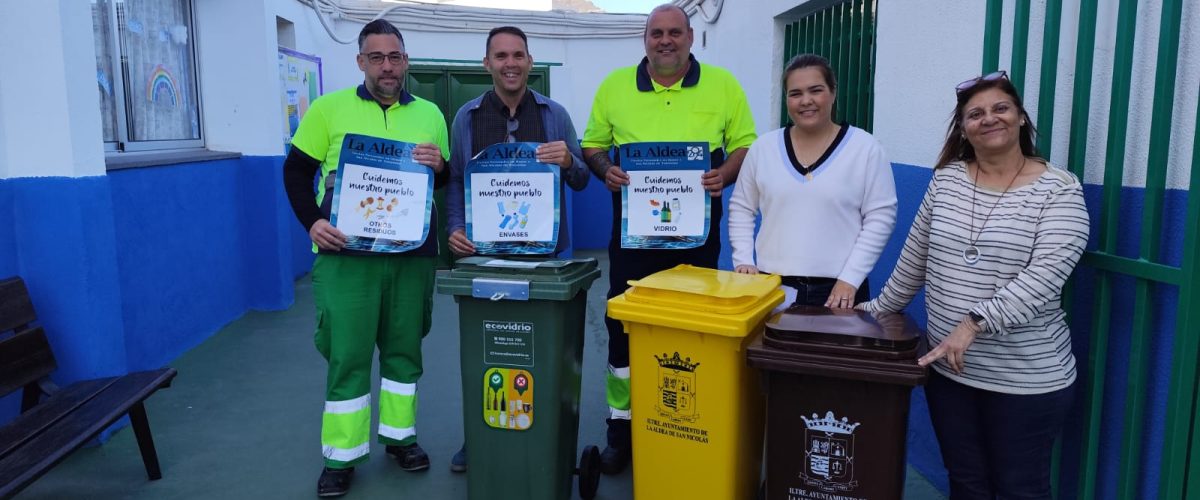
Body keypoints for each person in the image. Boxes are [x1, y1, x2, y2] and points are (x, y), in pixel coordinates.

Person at [857, 71, 1089, 499]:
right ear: (963, 128)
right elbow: (915, 259)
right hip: (951, 374)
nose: (989, 118)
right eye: (975, 114)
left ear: (1020, 117)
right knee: (966, 483)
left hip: (1025, 379)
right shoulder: (947, 180)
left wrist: (972, 324)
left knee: (1021, 488)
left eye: (1000, 108)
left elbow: (1045, 277)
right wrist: (870, 311)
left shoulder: (1059, 190)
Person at [580, 3, 756, 475]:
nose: (665, 41)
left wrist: (724, 173)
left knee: (691, 334)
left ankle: (684, 425)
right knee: (623, 331)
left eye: (674, 33)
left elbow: (743, 143)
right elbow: (592, 144)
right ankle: (622, 430)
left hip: (696, 243)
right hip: (633, 241)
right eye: (656, 33)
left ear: (690, 37)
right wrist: (605, 171)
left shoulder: (724, 85)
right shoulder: (614, 87)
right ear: (645, 39)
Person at [281, 19, 450, 497]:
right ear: (361, 62)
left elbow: (442, 179)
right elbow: (296, 171)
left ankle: (401, 439)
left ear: (406, 61)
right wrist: (312, 221)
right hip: (346, 258)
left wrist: (442, 166)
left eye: (395, 57)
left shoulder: (432, 115)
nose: (387, 66)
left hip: (412, 257)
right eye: (376, 57)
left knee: (405, 351)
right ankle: (342, 457)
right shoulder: (327, 109)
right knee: (348, 356)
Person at [443, 25, 589, 472]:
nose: (510, 63)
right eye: (501, 55)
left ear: (529, 62)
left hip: (545, 259)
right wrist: (455, 229)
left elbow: (582, 178)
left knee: (541, 351)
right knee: (489, 351)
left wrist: (568, 160)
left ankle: (545, 436)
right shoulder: (466, 118)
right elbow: (455, 183)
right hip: (486, 257)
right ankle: (482, 435)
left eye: (518, 55)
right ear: (486, 63)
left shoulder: (554, 114)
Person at [728, 54, 896, 308]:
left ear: (832, 93)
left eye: (816, 90)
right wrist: (743, 260)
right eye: (795, 93)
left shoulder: (865, 148)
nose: (806, 101)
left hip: (839, 293)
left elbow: (881, 217)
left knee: (834, 350)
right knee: (770, 350)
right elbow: (741, 207)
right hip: (771, 288)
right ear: (786, 99)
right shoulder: (764, 148)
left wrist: (850, 279)